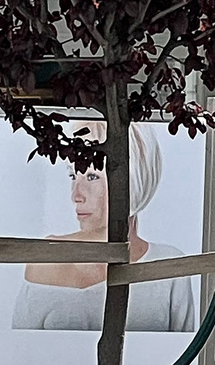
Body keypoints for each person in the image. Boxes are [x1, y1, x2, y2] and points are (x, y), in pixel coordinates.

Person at [12, 121, 196, 332]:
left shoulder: (170, 268)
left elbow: (189, 357)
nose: (76, 196)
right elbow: (19, 353)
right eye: (73, 176)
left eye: (92, 176)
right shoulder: (44, 260)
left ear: (134, 176)